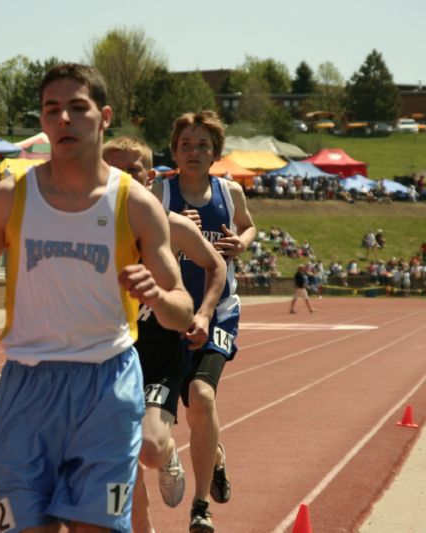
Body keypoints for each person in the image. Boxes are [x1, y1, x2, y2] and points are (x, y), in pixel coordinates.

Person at [0, 63, 193, 533]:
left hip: (106, 386)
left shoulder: (136, 205)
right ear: (41, 121)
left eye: (77, 109)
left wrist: (158, 296)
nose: (63, 120)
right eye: (51, 109)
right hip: (28, 388)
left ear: (103, 117)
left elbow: (181, 309)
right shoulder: (10, 197)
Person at [103, 136, 227, 533]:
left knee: (151, 449)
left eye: (131, 169)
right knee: (121, 457)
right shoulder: (91, 228)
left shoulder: (169, 223)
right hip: (110, 354)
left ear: (150, 175)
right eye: (113, 169)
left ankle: (170, 450)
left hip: (158, 351)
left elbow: (216, 265)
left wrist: (205, 313)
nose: (122, 176)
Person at [153, 110, 256, 533]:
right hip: (169, 315)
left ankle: (199, 507)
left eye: (202, 146)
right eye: (185, 145)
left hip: (218, 311)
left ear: (216, 152)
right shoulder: (159, 191)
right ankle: (213, 454)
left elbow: (249, 227)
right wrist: (174, 229)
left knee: (202, 396)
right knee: (191, 414)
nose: (193, 152)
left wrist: (241, 242)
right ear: (174, 151)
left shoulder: (229, 193)